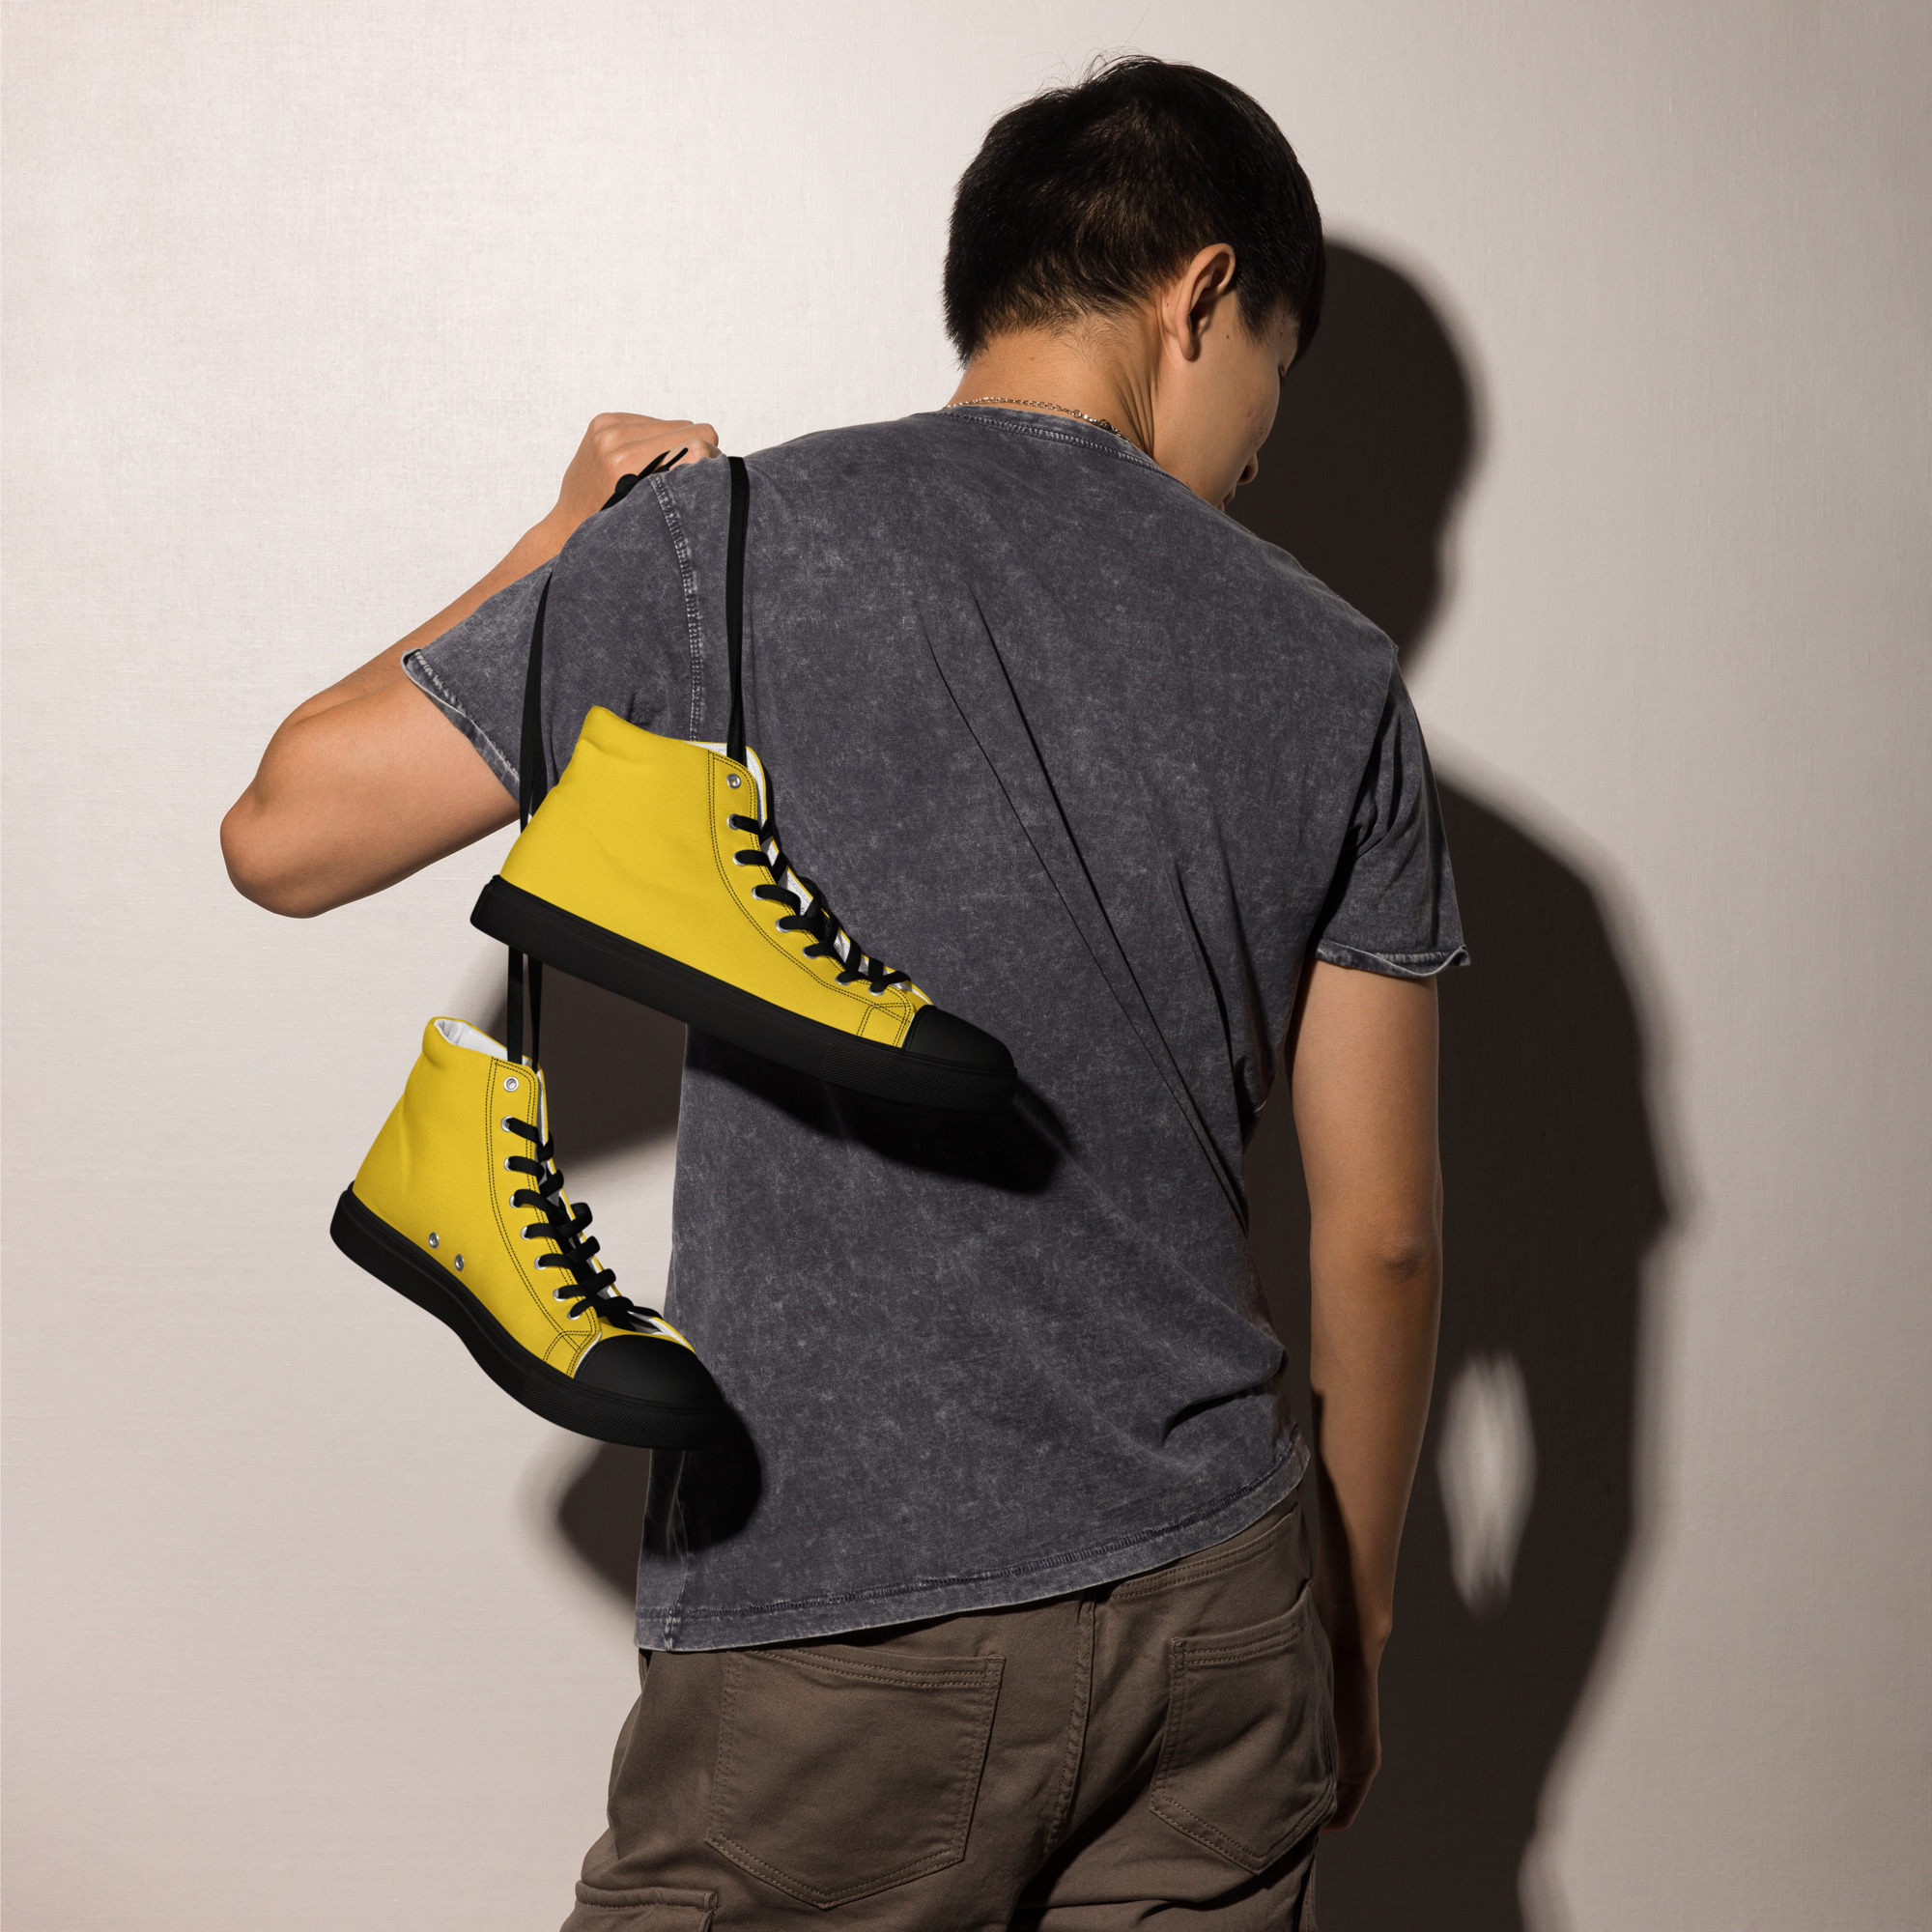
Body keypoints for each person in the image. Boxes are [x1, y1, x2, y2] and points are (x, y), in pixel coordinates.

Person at [221, 53, 1464, 1932]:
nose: (1253, 452)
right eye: (1271, 388)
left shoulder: (717, 551)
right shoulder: (1334, 670)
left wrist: (561, 549)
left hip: (837, 1612)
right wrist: (1347, 1624)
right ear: (1201, 295)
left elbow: (287, 833)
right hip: (1214, 1606)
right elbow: (1381, 1236)